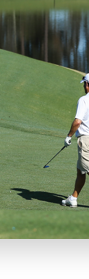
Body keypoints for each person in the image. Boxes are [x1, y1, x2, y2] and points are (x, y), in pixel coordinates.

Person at [62, 73, 89, 207]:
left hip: (86, 139)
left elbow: (77, 122)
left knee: (87, 169)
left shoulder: (84, 100)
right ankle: (73, 198)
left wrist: (68, 136)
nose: (84, 86)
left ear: (87, 85)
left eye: (85, 84)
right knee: (80, 170)